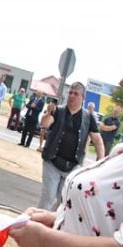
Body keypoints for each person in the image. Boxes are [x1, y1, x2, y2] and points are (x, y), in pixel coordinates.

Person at [38, 82, 105, 210]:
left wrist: (101, 161)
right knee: (49, 196)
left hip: (73, 166)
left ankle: (51, 224)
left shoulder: (88, 118)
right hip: (52, 161)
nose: (71, 96)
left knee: (65, 200)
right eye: (70, 93)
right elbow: (44, 124)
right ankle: (36, 224)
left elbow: (97, 140)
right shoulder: (58, 111)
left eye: (76, 94)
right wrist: (48, 113)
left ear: (82, 97)